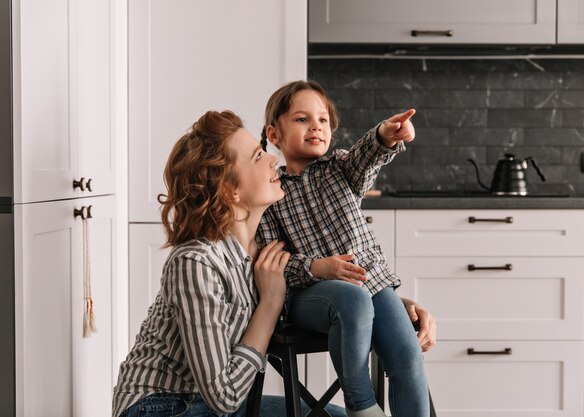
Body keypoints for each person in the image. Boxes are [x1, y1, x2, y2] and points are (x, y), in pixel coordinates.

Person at [112, 110, 347, 417]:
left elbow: (326, 282)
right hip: (159, 405)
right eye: (258, 156)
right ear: (229, 189)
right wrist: (271, 301)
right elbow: (223, 397)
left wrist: (394, 304)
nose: (273, 160)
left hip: (222, 405)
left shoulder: (269, 251)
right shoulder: (196, 262)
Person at [257, 80, 436, 417]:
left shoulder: (341, 168)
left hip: (372, 283)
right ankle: (362, 407)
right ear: (274, 134)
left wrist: (386, 132)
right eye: (302, 119)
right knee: (349, 298)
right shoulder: (271, 191)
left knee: (407, 358)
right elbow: (273, 261)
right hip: (309, 294)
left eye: (323, 120)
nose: (316, 127)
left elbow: (368, 155)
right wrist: (317, 267)